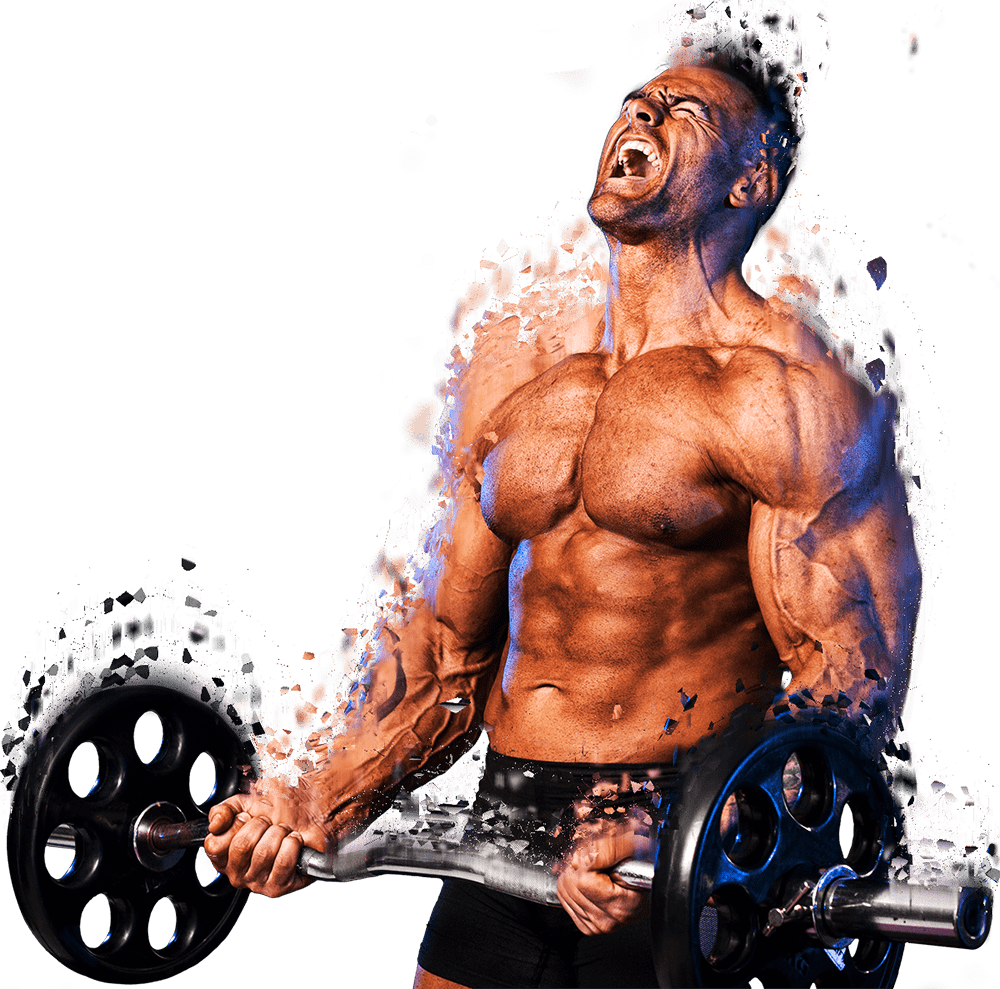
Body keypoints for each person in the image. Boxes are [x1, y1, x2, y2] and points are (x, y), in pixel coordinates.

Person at [204, 22, 923, 989]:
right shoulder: (517, 361)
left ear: (752, 179)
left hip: (679, 855)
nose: (640, 110)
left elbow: (852, 677)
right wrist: (319, 797)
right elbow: (446, 659)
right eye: (639, 98)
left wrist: (667, 825)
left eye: (684, 112)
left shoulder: (790, 393)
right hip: (511, 819)